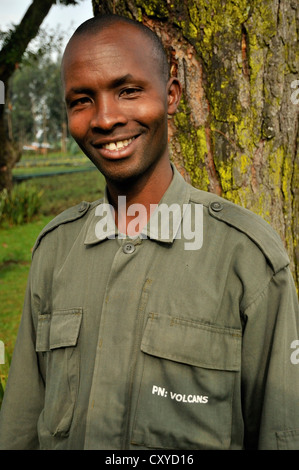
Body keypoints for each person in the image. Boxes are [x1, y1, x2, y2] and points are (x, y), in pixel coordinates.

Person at [0, 14, 298, 451]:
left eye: (128, 91)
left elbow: (282, 433)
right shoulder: (55, 249)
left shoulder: (246, 258)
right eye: (82, 100)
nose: (105, 119)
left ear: (171, 95)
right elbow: (21, 427)